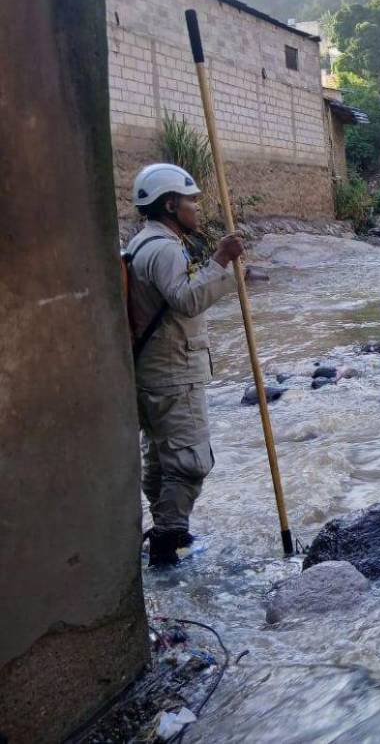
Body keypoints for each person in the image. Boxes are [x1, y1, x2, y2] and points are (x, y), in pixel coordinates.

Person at [125, 163, 244, 568]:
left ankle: (165, 528)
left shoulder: (141, 243)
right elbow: (187, 300)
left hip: (151, 373)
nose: (197, 207)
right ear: (170, 204)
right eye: (191, 200)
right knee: (190, 463)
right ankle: (168, 540)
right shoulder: (163, 249)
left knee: (159, 460)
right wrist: (221, 261)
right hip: (173, 373)